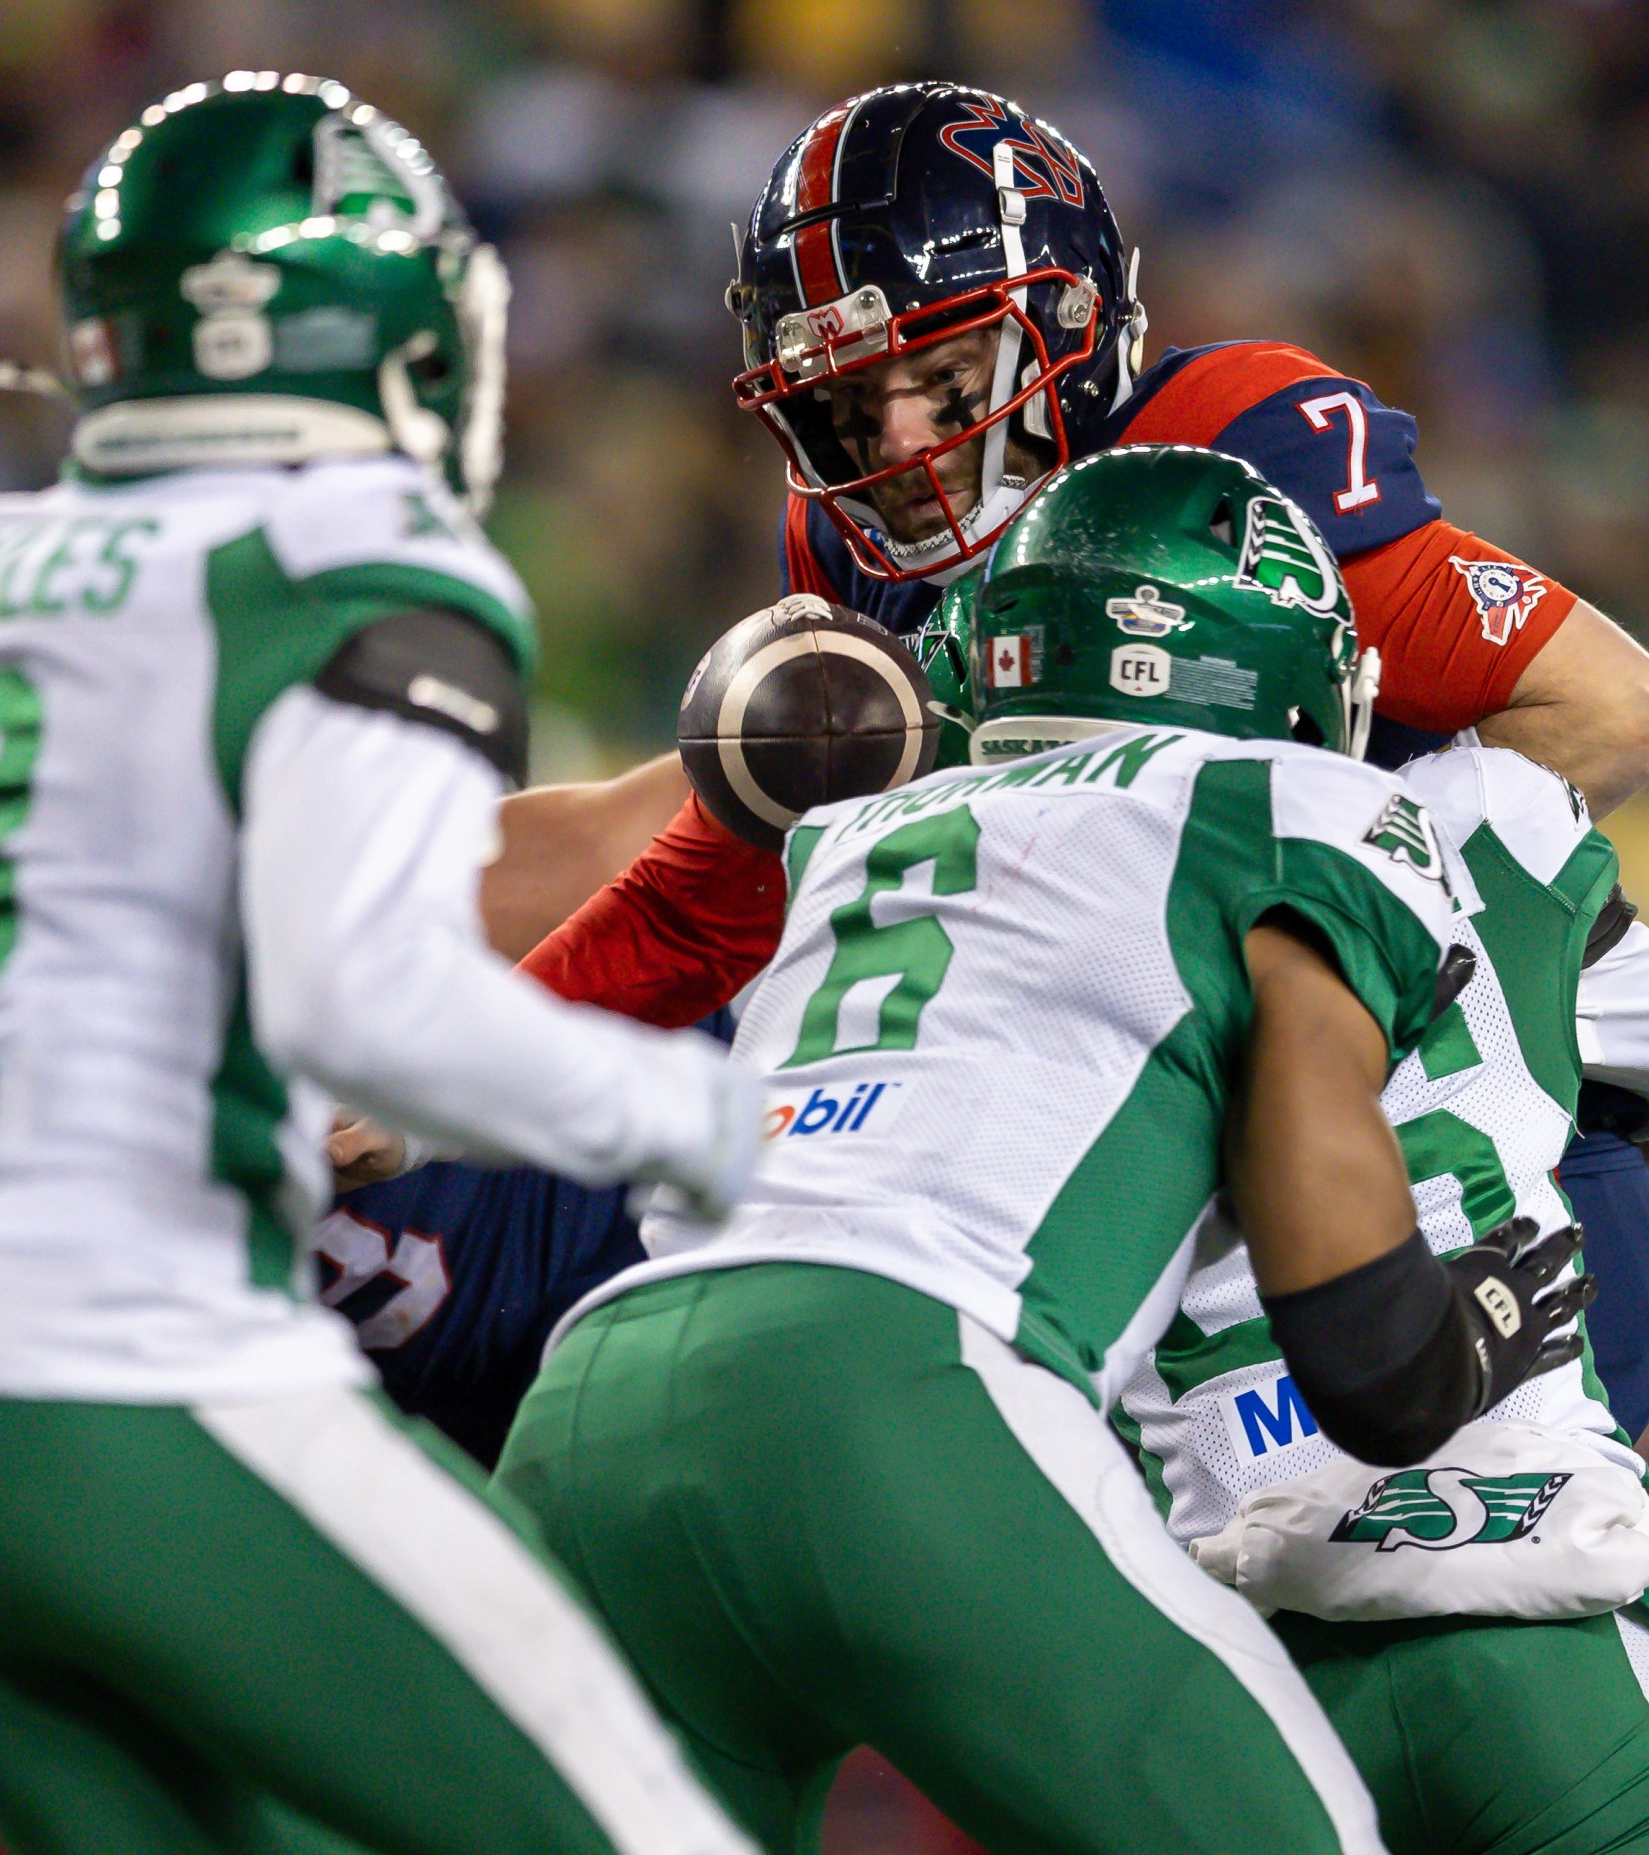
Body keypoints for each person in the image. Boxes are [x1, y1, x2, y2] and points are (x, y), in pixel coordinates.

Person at [0, 73, 759, 1855]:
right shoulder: (365, 573)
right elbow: (375, 1013)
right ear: (395, 342)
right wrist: (691, 1116)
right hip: (132, 1380)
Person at [516, 81, 1649, 1430]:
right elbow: (715, 878)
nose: (901, 444)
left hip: (1446, 1174)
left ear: (1072, 328)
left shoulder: (1226, 452)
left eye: (946, 378)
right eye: (851, 401)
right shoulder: (844, 543)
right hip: (1152, 1209)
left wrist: (1319, 929)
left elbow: (1621, 713)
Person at [492, 446, 1588, 1855]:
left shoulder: (846, 831)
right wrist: (1481, 1320)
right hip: (895, 1382)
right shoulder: (1287, 804)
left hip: (590, 1411)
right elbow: (1369, 1349)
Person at [1061, 456, 1649, 1852]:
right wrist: (1535, 1078)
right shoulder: (1475, 818)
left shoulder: (985, 887)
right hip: (1534, 1581)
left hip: (1225, 1653)